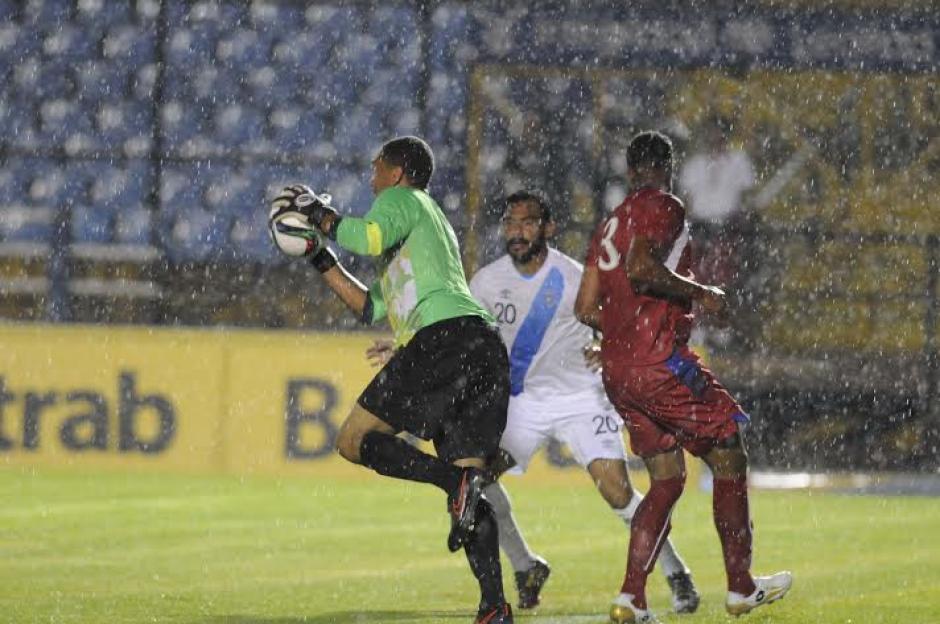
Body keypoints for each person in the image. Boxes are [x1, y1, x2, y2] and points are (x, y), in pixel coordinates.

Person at [268, 136, 513, 624]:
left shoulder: (404, 199)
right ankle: (493, 607)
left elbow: (367, 238)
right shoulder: (424, 227)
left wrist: (315, 211)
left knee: (353, 441)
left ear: (398, 172)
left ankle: (454, 482)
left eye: (377, 166)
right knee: (469, 489)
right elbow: (369, 307)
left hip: (443, 340)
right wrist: (318, 255)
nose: (371, 176)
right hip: (482, 346)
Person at [575, 131, 792, 624]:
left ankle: (631, 598)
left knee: (667, 480)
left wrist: (623, 337)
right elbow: (642, 268)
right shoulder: (664, 205)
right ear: (667, 169)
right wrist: (703, 292)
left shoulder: (610, 222)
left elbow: (585, 307)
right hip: (660, 362)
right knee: (729, 450)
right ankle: (740, 587)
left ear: (629, 171)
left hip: (619, 371)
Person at [467, 190, 699, 613]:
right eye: (510, 223)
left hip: (581, 397)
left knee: (616, 491)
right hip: (523, 402)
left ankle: (676, 571)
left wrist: (604, 344)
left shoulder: (573, 277)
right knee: (476, 479)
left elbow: (624, 324)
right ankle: (525, 565)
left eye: (527, 223)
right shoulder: (485, 282)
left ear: (549, 228)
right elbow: (463, 331)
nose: (517, 232)